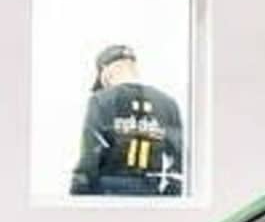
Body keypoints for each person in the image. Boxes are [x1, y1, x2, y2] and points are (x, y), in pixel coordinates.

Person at [72, 40, 184, 197]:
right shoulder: (167, 103)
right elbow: (179, 160)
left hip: (108, 195)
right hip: (152, 195)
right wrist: (169, 197)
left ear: (105, 72)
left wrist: (78, 195)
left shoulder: (101, 100)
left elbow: (90, 155)